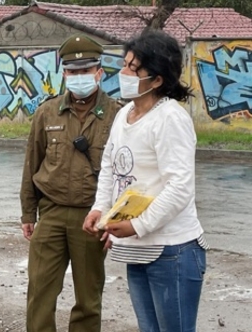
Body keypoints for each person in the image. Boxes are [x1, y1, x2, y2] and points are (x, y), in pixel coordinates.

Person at [83, 30, 208, 332]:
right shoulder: (125, 113)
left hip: (172, 251)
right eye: (125, 64)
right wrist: (100, 209)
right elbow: (111, 166)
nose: (123, 72)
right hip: (137, 249)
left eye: (133, 68)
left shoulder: (170, 119)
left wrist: (137, 225)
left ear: (157, 80)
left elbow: (179, 188)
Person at [19, 34, 123, 332]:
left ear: (99, 73)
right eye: (73, 72)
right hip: (50, 214)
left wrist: (115, 221)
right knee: (39, 292)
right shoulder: (46, 112)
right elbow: (31, 165)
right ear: (64, 74)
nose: (79, 78)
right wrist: (28, 214)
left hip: (92, 218)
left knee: (89, 299)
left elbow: (124, 174)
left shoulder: (117, 115)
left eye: (86, 71)